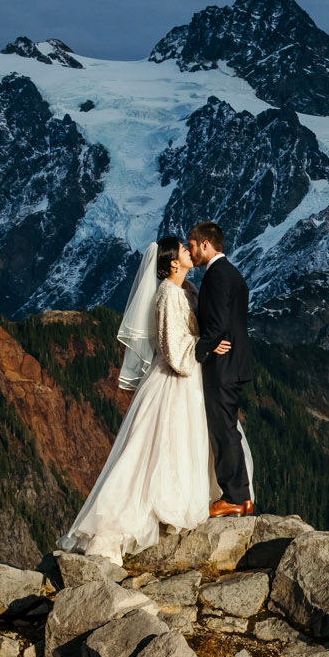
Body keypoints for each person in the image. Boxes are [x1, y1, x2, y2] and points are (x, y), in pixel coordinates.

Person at [56, 237, 214, 559]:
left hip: (187, 377)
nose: (188, 251)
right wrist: (202, 351)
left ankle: (171, 507)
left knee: (174, 445)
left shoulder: (184, 291)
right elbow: (172, 350)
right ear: (172, 263)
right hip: (175, 378)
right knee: (157, 448)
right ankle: (131, 521)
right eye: (184, 250)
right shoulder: (168, 295)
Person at [189, 222, 255, 517]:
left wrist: (197, 352)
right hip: (235, 364)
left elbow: (215, 325)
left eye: (192, 244)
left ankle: (234, 497)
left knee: (223, 432)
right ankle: (242, 496)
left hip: (223, 367)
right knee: (228, 430)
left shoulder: (215, 276)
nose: (190, 251)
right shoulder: (233, 273)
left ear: (206, 244)